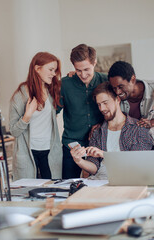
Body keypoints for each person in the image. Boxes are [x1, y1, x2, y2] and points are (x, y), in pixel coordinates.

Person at [70, 82, 154, 179]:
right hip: (98, 181)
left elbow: (138, 164)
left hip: (126, 182)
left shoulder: (138, 128)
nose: (102, 109)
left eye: (105, 103)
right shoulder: (97, 131)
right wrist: (79, 160)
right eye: (99, 104)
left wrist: (104, 155)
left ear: (117, 100)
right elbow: (94, 167)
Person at [9, 52, 62, 180]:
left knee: (52, 191)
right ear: (37, 69)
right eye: (50, 70)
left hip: (50, 152)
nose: (53, 74)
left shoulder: (52, 90)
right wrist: (27, 115)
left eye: (55, 70)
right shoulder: (20, 96)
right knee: (27, 192)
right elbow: (14, 132)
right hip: (28, 152)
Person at [58, 44, 108, 179]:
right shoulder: (64, 84)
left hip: (99, 144)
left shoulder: (106, 81)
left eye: (87, 69)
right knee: (68, 185)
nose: (83, 75)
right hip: (72, 145)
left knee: (100, 185)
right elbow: (53, 111)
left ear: (94, 62)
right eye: (78, 70)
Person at [108, 61, 154, 127]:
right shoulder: (113, 97)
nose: (117, 92)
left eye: (121, 87)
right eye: (114, 88)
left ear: (133, 79)